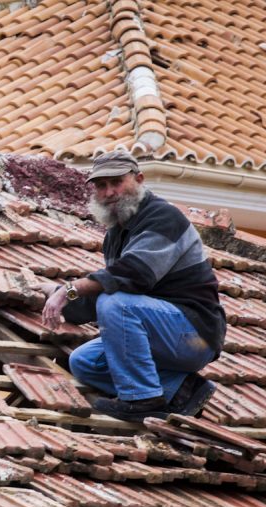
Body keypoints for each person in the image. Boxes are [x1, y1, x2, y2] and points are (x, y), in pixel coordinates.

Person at [41, 150, 226, 422]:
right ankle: (181, 389)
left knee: (115, 303)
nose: (110, 192)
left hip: (195, 337)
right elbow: (107, 287)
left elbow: (134, 274)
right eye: (101, 186)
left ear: (139, 179)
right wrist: (55, 297)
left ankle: (142, 399)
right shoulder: (116, 234)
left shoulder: (164, 217)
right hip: (161, 338)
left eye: (117, 182)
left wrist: (70, 290)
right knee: (83, 362)